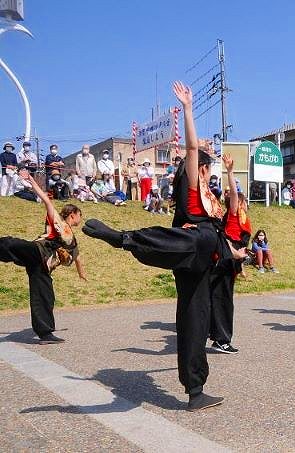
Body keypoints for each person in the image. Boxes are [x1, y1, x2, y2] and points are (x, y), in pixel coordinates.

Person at [83, 81, 239, 411]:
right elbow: (193, 150)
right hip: (192, 244)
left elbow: (230, 217)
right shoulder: (192, 187)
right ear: (201, 170)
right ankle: (123, 238)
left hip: (202, 263)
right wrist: (187, 109)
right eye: (206, 169)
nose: (207, 173)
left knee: (193, 322)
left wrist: (235, 252)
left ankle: (195, 390)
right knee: (187, 237)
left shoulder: (211, 199)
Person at [0, 170, 86, 343]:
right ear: (72, 215)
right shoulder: (58, 222)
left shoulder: (72, 240)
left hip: (43, 266)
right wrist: (31, 179)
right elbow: (46, 199)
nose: (80, 219)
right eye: (79, 216)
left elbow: (76, 257)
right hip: (37, 252)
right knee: (10, 243)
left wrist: (81, 273)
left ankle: (45, 333)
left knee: (45, 296)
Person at [210, 156, 252, 354]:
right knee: (223, 300)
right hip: (225, 260)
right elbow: (234, 194)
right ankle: (221, 339)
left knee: (219, 297)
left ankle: (215, 334)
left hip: (229, 261)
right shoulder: (233, 214)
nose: (242, 202)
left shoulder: (241, 219)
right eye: (241, 200)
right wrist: (230, 172)